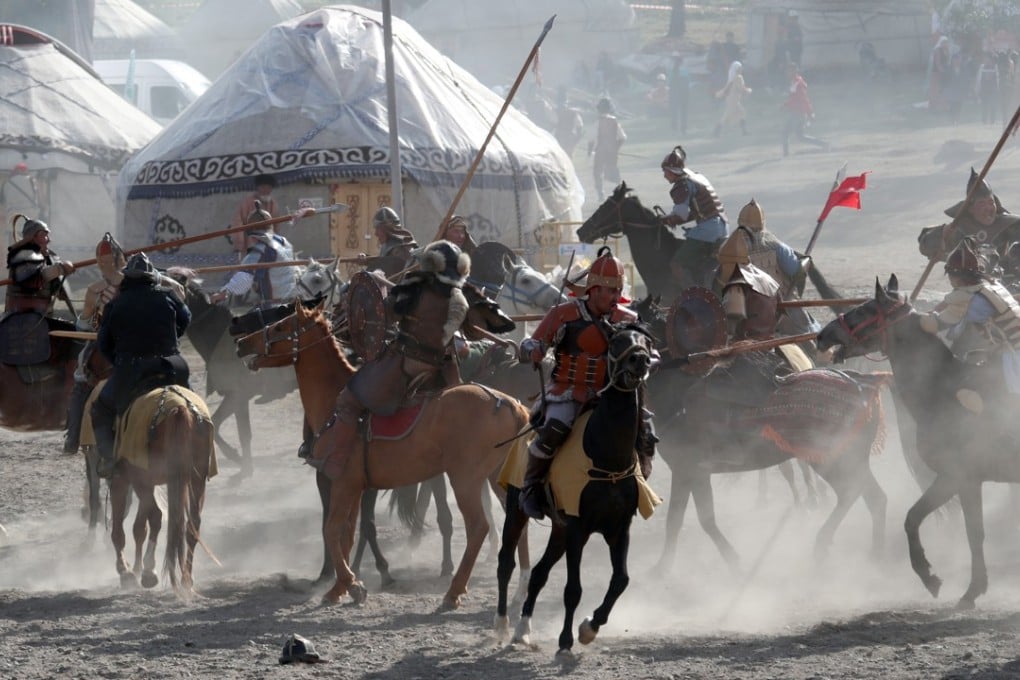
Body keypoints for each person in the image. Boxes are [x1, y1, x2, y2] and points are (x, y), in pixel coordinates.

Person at [517, 247, 657, 520]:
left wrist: (650, 359)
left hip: (611, 395)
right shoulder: (563, 313)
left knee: (647, 433)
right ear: (593, 289)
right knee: (553, 431)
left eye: (618, 291)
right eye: (609, 291)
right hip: (569, 391)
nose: (614, 297)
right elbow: (530, 343)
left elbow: (649, 350)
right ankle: (531, 487)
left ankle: (636, 484)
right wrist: (533, 349)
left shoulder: (627, 319)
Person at [316, 241, 472, 475]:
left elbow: (385, 316)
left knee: (349, 400)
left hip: (408, 364)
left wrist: (381, 292)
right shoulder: (460, 296)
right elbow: (468, 335)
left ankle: (337, 461)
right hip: (444, 370)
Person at [91, 252, 192, 478]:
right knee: (194, 405)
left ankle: (108, 460)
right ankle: (201, 449)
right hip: (172, 366)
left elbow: (104, 343)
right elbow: (185, 319)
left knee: (101, 409)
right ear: (151, 276)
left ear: (128, 277)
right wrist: (172, 338)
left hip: (131, 370)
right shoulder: (168, 296)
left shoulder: (115, 304)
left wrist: (118, 360)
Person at [919, 238, 1020, 414]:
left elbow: (935, 324)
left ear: (954, 277)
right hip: (1007, 348)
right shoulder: (993, 286)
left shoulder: (969, 298)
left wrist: (914, 318)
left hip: (1012, 354)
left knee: (962, 388)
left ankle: (993, 421)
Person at [63, 234, 125, 453]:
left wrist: (83, 322)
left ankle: (73, 437)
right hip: (137, 343)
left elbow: (84, 327)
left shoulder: (95, 289)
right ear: (121, 259)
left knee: (81, 378)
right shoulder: (139, 281)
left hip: (107, 345)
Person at [735, 199, 819, 336]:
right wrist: (806, 262)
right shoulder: (775, 245)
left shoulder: (731, 248)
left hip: (746, 310)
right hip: (781, 306)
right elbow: (796, 271)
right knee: (811, 332)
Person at [659, 145, 729, 292]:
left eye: (665, 171)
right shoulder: (697, 177)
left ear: (672, 171)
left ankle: (695, 296)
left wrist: (664, 220)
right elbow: (696, 212)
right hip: (723, 228)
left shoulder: (682, 185)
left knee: (676, 264)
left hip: (708, 230)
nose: (664, 175)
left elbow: (681, 214)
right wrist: (671, 219)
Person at [918, 168, 1020, 263]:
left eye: (990, 202)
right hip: (970, 278)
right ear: (970, 209)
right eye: (982, 203)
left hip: (1006, 279)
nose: (988, 208)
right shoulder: (960, 229)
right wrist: (943, 234)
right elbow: (925, 246)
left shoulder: (1008, 224)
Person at [210, 202, 302, 307]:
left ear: (253, 233)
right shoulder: (285, 243)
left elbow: (244, 279)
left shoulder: (261, 251)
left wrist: (223, 293)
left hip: (273, 307)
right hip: (293, 304)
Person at [715, 226, 781, 341]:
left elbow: (731, 325)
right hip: (769, 338)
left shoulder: (735, 286)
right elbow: (780, 310)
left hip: (747, 344)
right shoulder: (769, 280)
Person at [4, 214, 74, 316]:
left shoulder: (48, 257)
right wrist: (59, 269)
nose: (49, 240)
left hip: (42, 317)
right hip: (19, 319)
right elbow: (33, 281)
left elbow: (55, 290)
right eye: (44, 235)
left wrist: (59, 288)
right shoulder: (23, 255)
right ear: (32, 238)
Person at [781, 62, 828, 157]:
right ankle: (824, 144)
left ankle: (786, 154)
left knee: (785, 133)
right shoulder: (795, 82)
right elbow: (795, 98)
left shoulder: (797, 83)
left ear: (794, 71)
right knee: (800, 136)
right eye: (787, 70)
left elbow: (803, 99)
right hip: (798, 112)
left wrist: (810, 113)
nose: (787, 72)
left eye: (789, 70)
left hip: (797, 113)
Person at [590, 97, 626, 201]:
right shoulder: (614, 121)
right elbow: (622, 138)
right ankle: (620, 191)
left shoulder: (597, 122)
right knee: (613, 170)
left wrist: (590, 151)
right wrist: (616, 148)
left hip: (600, 151)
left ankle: (601, 193)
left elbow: (592, 139)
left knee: (597, 172)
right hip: (611, 152)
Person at [231, 173, 279, 253]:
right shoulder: (247, 202)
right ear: (258, 188)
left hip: (268, 242)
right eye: (263, 187)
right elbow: (238, 223)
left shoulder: (273, 204)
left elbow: (276, 225)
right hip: (250, 244)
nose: (266, 190)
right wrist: (239, 243)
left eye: (269, 188)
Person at [714, 61, 751, 137]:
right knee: (727, 116)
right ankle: (717, 131)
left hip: (732, 100)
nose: (741, 69)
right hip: (734, 100)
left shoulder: (732, 78)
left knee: (741, 113)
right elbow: (741, 88)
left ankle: (744, 131)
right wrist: (749, 90)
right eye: (740, 68)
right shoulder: (738, 77)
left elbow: (727, 89)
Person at [553, 87, 584, 158]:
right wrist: (577, 137)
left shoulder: (555, 111)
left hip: (559, 137)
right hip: (569, 139)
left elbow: (553, 122)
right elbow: (580, 125)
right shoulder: (573, 112)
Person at [668, 52, 690, 134]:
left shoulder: (673, 70)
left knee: (675, 110)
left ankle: (676, 127)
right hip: (682, 92)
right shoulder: (683, 70)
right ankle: (682, 128)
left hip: (677, 92)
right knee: (681, 111)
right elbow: (688, 81)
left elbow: (669, 81)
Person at [976, 51, 1000, 124]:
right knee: (984, 105)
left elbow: (998, 79)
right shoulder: (982, 67)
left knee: (993, 105)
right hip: (984, 90)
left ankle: (992, 120)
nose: (987, 60)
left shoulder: (995, 67)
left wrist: (998, 89)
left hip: (993, 90)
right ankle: (984, 120)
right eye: (986, 58)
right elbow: (979, 79)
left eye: (988, 59)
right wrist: (977, 88)